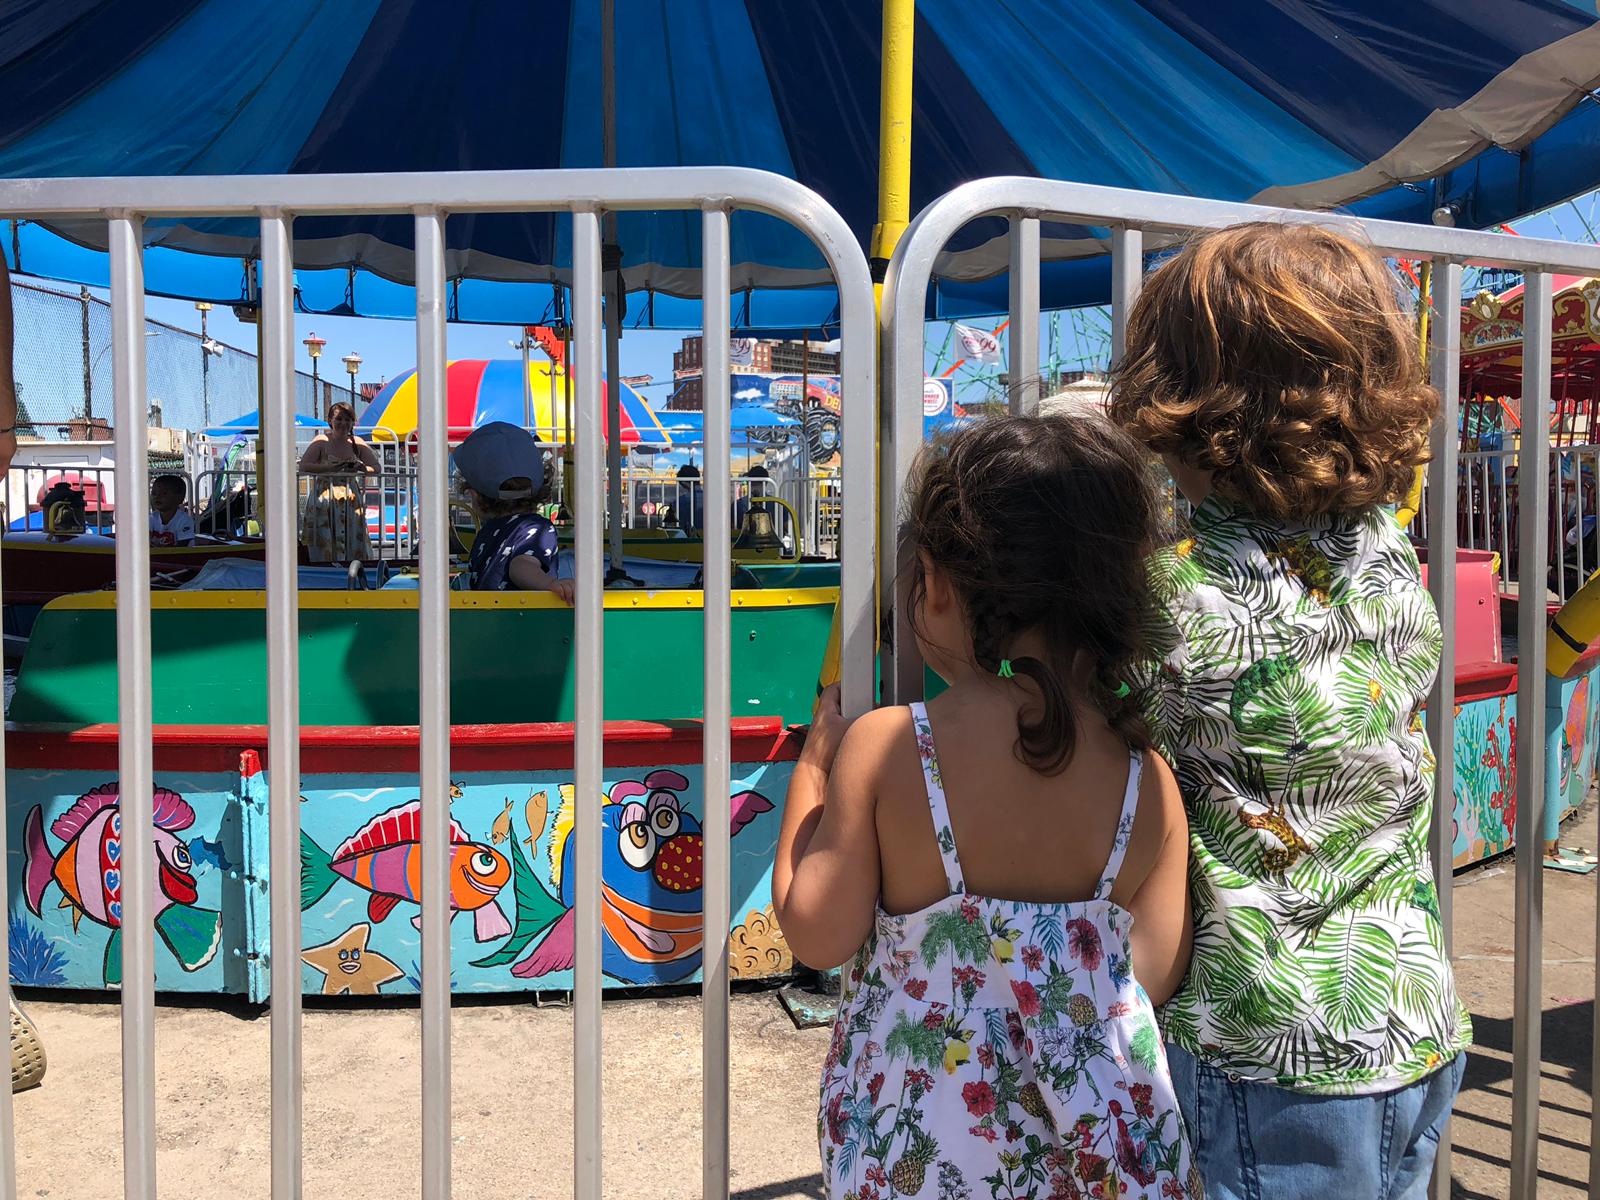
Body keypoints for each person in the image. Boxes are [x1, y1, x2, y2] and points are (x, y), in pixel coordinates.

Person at [1109, 222, 1468, 1200]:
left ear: (1181, 400)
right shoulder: (1390, 565)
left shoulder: (1171, 602)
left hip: (1266, 1041)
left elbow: (1089, 729)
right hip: (1412, 1016)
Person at [776, 414, 1196, 1200]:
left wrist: (811, 773)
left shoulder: (891, 748)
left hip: (921, 1149)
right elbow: (1150, 972)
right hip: (1099, 1156)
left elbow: (818, 930)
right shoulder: (1148, 778)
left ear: (933, 583)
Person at [455, 420, 573, 601]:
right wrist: (550, 585)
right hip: (518, 623)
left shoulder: (489, 531)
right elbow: (522, 565)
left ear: (475, 495)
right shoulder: (538, 528)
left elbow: (520, 566)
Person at [298, 401, 377, 563]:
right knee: (324, 536)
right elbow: (304, 466)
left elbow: (376, 467)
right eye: (339, 419)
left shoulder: (358, 443)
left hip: (350, 499)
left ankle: (353, 568)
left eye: (347, 419)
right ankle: (324, 569)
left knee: (352, 534)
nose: (343, 423)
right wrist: (328, 468)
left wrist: (361, 467)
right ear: (330, 421)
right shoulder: (321, 440)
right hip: (325, 496)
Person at [148, 474, 196, 546]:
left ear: (179, 498)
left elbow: (182, 548)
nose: (157, 497)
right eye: (154, 493)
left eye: (164, 493)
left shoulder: (184, 520)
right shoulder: (151, 519)